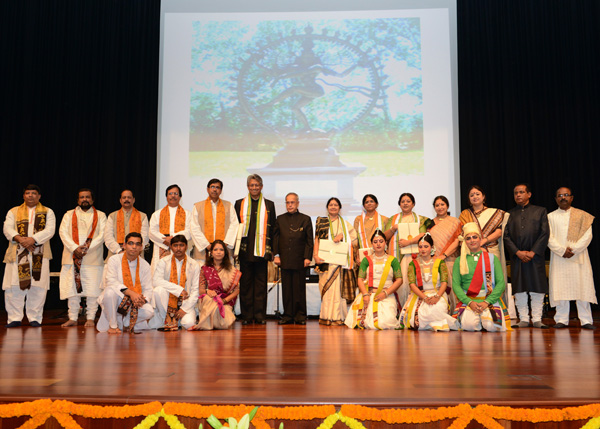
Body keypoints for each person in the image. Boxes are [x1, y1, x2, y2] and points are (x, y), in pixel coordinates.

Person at [3, 185, 56, 327]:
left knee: (38, 287)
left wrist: (33, 239)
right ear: (23, 196)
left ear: (39, 196)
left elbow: (50, 230)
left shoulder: (47, 212)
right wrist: (21, 239)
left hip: (40, 253)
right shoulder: (13, 211)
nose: (30, 196)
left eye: (34, 193)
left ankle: (35, 318)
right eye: (28, 193)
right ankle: (14, 318)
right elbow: (7, 228)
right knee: (14, 286)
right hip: (16, 252)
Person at [548, 187, 597, 330]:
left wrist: (574, 250)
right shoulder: (550, 217)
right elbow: (548, 237)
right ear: (556, 198)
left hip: (579, 257)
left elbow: (588, 236)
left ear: (571, 197)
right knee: (560, 288)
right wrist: (562, 250)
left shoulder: (582, 215)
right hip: (559, 257)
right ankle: (561, 319)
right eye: (559, 195)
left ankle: (586, 320)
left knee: (582, 287)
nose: (563, 197)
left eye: (566, 195)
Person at [59, 188, 107, 327]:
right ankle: (72, 317)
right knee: (72, 289)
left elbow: (102, 235)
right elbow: (63, 233)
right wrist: (75, 248)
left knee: (92, 290)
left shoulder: (101, 215)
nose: (84, 199)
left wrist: (86, 249)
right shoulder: (68, 215)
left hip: (92, 257)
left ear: (92, 200)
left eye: (87, 197)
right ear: (78, 200)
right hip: (71, 256)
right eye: (82, 197)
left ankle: (91, 318)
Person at [504, 184, 550, 329]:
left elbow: (544, 233)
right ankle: (523, 318)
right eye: (516, 193)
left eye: (521, 192)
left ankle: (537, 319)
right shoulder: (509, 214)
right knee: (520, 289)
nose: (518, 195)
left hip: (535, 257)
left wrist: (533, 252)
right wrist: (517, 252)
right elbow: (506, 237)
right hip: (517, 257)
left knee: (537, 288)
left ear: (529, 194)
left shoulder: (540, 211)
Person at [234, 174, 276, 325]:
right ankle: (246, 316)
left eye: (257, 185)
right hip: (245, 251)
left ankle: (259, 316)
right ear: (247, 187)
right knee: (245, 285)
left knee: (260, 284)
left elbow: (273, 230)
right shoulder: (239, 203)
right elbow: (235, 228)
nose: (254, 188)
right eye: (251, 185)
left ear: (261, 186)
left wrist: (271, 251)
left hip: (262, 252)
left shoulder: (269, 205)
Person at [452, 222, 510, 331]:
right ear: (464, 241)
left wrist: (487, 302)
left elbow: (501, 283)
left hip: (489, 299)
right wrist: (470, 302)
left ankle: (484, 320)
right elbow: (456, 285)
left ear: (480, 239)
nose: (472, 240)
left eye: (475, 237)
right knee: (469, 327)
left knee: (493, 327)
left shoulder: (492, 258)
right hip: (469, 300)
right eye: (468, 238)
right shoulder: (459, 261)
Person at [96, 232, 154, 334]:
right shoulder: (114, 260)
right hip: (117, 299)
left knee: (150, 311)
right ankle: (113, 325)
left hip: (134, 303)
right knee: (109, 292)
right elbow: (111, 281)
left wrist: (141, 301)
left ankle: (125, 322)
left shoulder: (145, 265)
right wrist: (131, 293)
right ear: (124, 245)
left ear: (141, 247)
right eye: (131, 243)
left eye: (137, 244)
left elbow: (148, 289)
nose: (134, 247)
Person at [399, 234, 459, 331]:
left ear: (432, 248)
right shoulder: (413, 264)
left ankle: (436, 324)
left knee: (436, 308)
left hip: (438, 293)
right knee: (420, 315)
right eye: (420, 247)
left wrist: (437, 297)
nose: (423, 249)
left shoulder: (440, 262)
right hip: (420, 295)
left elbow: (444, 283)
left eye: (426, 246)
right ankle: (439, 324)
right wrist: (425, 298)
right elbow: (412, 285)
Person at [314, 197, 358, 326]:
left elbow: (354, 241)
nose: (333, 207)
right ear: (327, 207)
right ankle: (326, 316)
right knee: (326, 290)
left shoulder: (345, 225)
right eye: (331, 205)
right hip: (325, 263)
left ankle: (338, 316)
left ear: (339, 208)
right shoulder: (321, 222)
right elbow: (316, 239)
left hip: (340, 264)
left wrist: (344, 236)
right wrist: (315, 256)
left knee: (338, 291)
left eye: (336, 205)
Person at [345, 230, 401, 330]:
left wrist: (386, 293)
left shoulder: (393, 260)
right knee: (363, 322)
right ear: (372, 245)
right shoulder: (366, 260)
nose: (378, 244)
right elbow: (360, 279)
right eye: (375, 242)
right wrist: (365, 294)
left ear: (386, 243)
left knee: (386, 322)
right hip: (368, 295)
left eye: (381, 241)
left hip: (386, 295)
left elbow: (399, 280)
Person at [273, 192, 314, 325]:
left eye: (292, 202)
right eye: (287, 202)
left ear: (297, 203)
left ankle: (300, 316)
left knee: (299, 289)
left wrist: (307, 257)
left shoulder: (305, 219)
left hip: (300, 260)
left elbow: (309, 241)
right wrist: (276, 255)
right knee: (287, 290)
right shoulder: (280, 219)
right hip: (284, 259)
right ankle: (288, 316)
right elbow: (276, 239)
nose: (290, 205)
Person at [384, 193, 431, 303]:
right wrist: (393, 229)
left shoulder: (420, 219)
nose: (405, 203)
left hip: (414, 256)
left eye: (408, 201)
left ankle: (413, 307)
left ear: (413, 204)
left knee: (412, 282)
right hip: (397, 257)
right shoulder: (393, 219)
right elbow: (384, 237)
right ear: (399, 204)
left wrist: (408, 242)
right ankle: (400, 308)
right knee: (400, 283)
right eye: (403, 201)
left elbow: (423, 234)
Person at [150, 235, 199, 331]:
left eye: (181, 245)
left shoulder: (194, 264)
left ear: (186, 247)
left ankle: (175, 320)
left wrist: (184, 309)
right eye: (175, 245)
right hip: (166, 302)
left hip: (186, 302)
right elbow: (156, 281)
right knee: (158, 290)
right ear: (171, 247)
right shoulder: (163, 261)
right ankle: (165, 318)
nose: (178, 248)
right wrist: (178, 290)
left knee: (188, 323)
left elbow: (195, 290)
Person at [191, 240, 241, 330]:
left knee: (225, 323)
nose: (218, 252)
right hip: (209, 300)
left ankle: (210, 323)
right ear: (211, 252)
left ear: (225, 253)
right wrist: (207, 291)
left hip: (225, 301)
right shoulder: (205, 269)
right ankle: (211, 322)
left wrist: (224, 301)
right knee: (209, 300)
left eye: (221, 250)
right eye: (215, 250)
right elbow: (201, 290)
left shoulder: (231, 270)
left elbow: (237, 290)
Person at [191, 178, 239, 265]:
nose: (214, 189)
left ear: (221, 191)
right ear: (207, 189)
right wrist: (207, 245)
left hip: (224, 249)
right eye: (212, 187)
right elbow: (194, 228)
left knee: (224, 276)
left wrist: (224, 245)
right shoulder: (198, 206)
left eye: (217, 187)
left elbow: (234, 225)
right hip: (204, 251)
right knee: (203, 276)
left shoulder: (228, 206)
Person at [149, 184, 191, 274]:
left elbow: (189, 232)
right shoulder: (157, 214)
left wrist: (173, 240)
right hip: (161, 247)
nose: (173, 196)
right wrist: (165, 240)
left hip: (179, 247)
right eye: (170, 193)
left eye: (175, 193)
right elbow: (152, 232)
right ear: (166, 196)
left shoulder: (187, 214)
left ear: (180, 197)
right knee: (160, 276)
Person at [104, 189, 149, 260]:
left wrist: (133, 250)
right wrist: (119, 251)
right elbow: (108, 237)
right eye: (124, 197)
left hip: (136, 256)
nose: (126, 199)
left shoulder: (142, 216)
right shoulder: (112, 216)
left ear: (133, 200)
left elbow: (145, 237)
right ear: (120, 200)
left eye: (129, 197)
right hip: (115, 255)